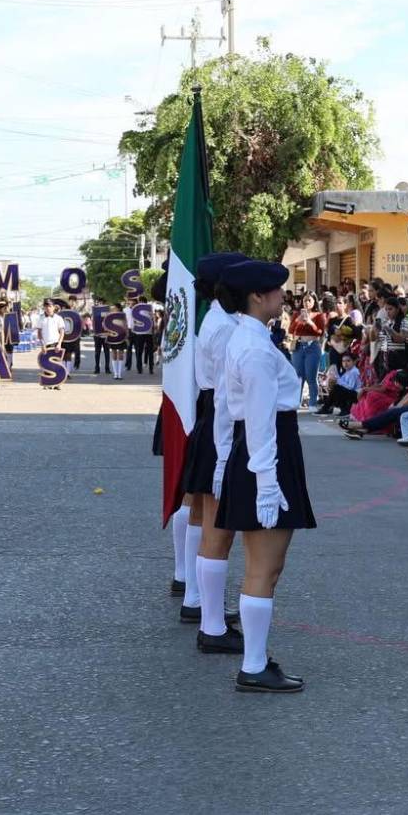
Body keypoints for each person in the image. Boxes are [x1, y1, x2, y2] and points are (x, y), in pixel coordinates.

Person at [213, 260, 314, 693]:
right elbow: (259, 422)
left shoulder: (250, 338)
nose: (281, 296)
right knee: (264, 566)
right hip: (265, 454)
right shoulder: (253, 348)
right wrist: (268, 485)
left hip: (260, 453)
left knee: (266, 567)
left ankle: (256, 661)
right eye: (276, 290)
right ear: (258, 296)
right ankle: (253, 665)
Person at [178, 252, 247, 631]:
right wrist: (225, 454)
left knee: (206, 516)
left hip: (212, 417)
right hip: (220, 421)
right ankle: (206, 611)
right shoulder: (225, 326)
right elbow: (223, 393)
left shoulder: (222, 319)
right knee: (215, 525)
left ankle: (197, 598)